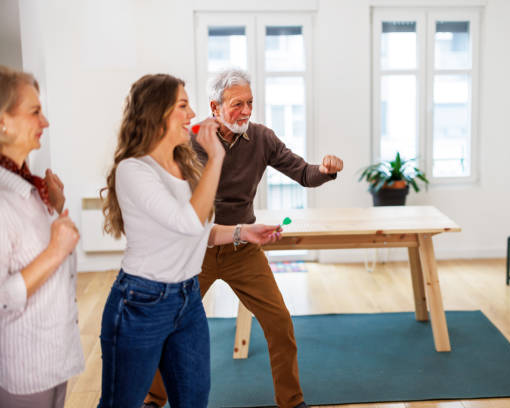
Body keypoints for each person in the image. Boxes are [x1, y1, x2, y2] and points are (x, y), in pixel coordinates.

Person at [143, 68, 343, 408]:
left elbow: (303, 173)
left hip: (242, 249)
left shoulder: (262, 138)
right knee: (169, 325)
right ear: (214, 106)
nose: (247, 112)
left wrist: (325, 170)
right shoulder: (188, 140)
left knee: (279, 324)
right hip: (195, 250)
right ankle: (152, 399)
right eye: (238, 104)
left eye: (250, 103)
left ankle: (292, 402)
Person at [98, 73, 281, 408]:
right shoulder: (134, 170)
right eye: (183, 105)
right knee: (120, 403)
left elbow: (199, 232)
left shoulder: (183, 164)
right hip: (141, 301)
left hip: (187, 299)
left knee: (194, 400)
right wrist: (217, 157)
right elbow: (187, 222)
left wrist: (241, 232)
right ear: (157, 113)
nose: (192, 113)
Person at [0, 65, 84, 407]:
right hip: (25, 372)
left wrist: (54, 206)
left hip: (50, 360)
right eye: (35, 112)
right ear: (2, 121)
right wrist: (54, 250)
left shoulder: (29, 187)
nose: (45, 122)